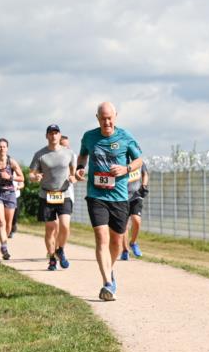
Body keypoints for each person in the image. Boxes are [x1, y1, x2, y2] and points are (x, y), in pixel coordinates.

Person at [75, 101, 143, 300]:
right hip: (96, 196)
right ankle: (107, 283)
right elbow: (82, 157)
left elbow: (139, 160)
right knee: (101, 238)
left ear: (115, 117)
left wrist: (126, 169)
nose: (107, 122)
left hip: (120, 196)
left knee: (115, 241)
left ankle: (109, 270)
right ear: (97, 118)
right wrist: (80, 169)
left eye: (109, 118)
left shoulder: (125, 136)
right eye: (103, 118)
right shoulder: (89, 137)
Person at [28, 124, 78, 271]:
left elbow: (73, 173)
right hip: (47, 194)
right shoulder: (40, 154)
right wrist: (35, 177)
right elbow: (31, 174)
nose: (53, 135)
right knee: (50, 228)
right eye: (51, 133)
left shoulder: (69, 153)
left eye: (56, 133)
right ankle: (51, 259)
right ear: (46, 136)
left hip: (64, 194)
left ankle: (60, 249)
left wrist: (74, 177)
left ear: (59, 135)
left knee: (65, 226)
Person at [0, 138, 24, 260]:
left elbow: (22, 178)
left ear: (7, 148)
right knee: (1, 222)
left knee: (8, 224)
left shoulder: (11, 162)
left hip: (10, 194)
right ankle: (4, 247)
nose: (2, 148)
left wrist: (10, 177)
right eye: (0, 146)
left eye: (4, 146)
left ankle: (4, 242)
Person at [120, 160, 148, 260]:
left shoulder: (139, 161)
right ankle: (125, 250)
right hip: (122, 196)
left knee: (136, 220)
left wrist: (144, 186)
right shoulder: (121, 160)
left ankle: (133, 243)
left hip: (136, 195)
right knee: (124, 225)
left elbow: (145, 174)